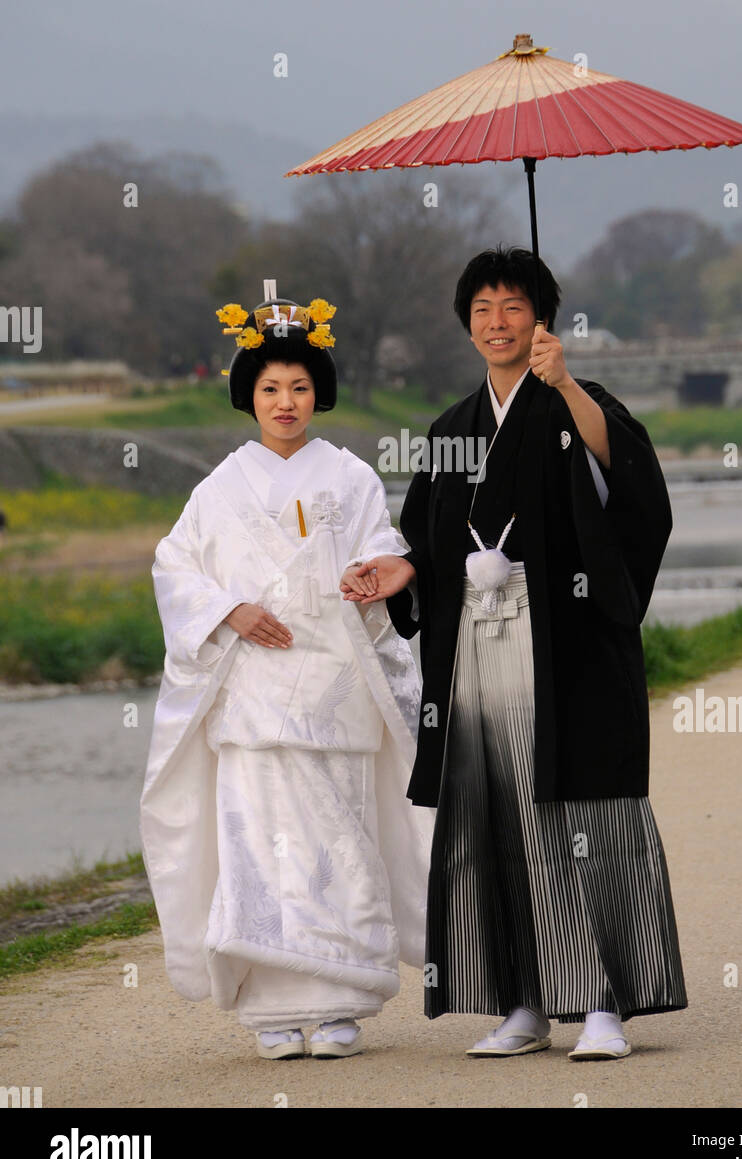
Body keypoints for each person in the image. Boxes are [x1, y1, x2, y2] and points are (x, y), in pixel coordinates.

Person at [343, 246, 687, 1060]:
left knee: (575, 812)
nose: (497, 323)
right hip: (474, 644)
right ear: (467, 324)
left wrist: (564, 384)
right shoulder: (452, 429)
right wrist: (400, 569)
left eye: (513, 307)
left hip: (563, 639)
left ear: (541, 319)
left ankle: (601, 1001)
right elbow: (429, 534)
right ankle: (523, 999)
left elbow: (628, 487)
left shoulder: (579, 403)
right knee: (490, 811)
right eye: (483, 309)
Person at [140, 292, 433, 1061]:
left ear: (318, 393)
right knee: (257, 849)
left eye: (299, 388)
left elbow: (384, 546)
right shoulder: (219, 488)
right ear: (249, 395)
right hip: (254, 691)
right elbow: (175, 566)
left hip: (334, 689)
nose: (285, 403)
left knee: (339, 841)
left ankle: (339, 1002)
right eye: (270, 388)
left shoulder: (350, 476)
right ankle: (271, 1009)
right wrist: (229, 610)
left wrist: (377, 576)